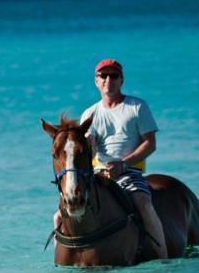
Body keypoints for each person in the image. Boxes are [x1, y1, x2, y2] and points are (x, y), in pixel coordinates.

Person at [56, 59, 168, 259]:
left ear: (121, 80)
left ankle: (162, 255)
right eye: (103, 76)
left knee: (143, 202)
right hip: (98, 173)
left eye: (113, 76)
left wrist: (123, 163)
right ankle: (63, 258)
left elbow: (150, 144)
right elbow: (85, 149)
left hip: (130, 171)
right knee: (59, 214)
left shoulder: (137, 107)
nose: (108, 80)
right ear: (96, 81)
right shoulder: (90, 113)